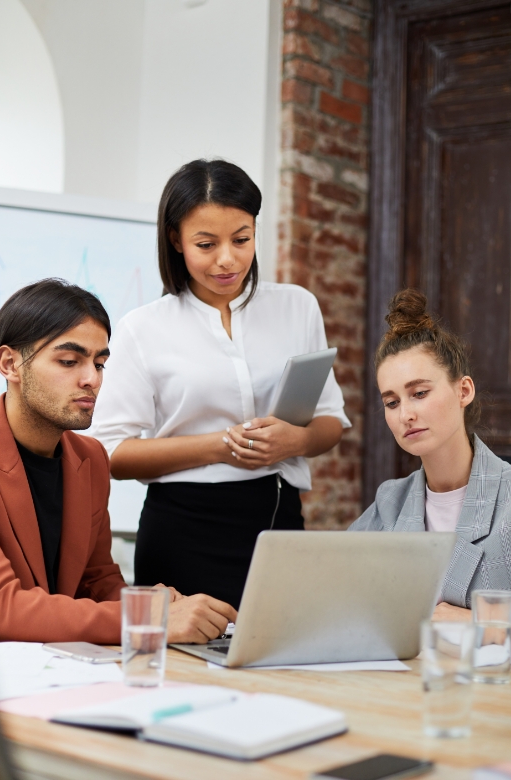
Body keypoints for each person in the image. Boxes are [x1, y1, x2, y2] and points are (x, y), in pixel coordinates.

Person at [90, 159, 350, 609]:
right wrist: (221, 445)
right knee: (185, 672)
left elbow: (331, 421)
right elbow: (112, 454)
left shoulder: (298, 307)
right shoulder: (142, 328)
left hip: (277, 519)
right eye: (206, 244)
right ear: (176, 240)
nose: (227, 259)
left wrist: (295, 440)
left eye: (242, 239)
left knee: (285, 668)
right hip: (182, 529)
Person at [0, 279, 237, 644]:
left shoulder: (90, 459)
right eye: (69, 361)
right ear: (10, 363)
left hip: (64, 672)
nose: (92, 379)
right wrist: (149, 617)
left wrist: (161, 603)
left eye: (100, 363)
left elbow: (98, 581)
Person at [349, 289, 511, 648]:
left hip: (506, 693)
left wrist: (482, 621)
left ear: (463, 390)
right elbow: (335, 599)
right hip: (405, 690)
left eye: (419, 393)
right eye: (391, 402)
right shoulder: (390, 503)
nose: (405, 413)